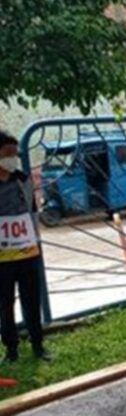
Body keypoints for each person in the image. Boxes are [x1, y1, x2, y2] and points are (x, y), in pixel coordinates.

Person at [0, 130, 51, 363]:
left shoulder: (22, 179)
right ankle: (11, 349)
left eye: (15, 154)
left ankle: (38, 344)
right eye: (7, 153)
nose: (12, 158)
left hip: (27, 251)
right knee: (5, 304)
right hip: (2, 258)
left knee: (31, 299)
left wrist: (36, 242)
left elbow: (32, 211)